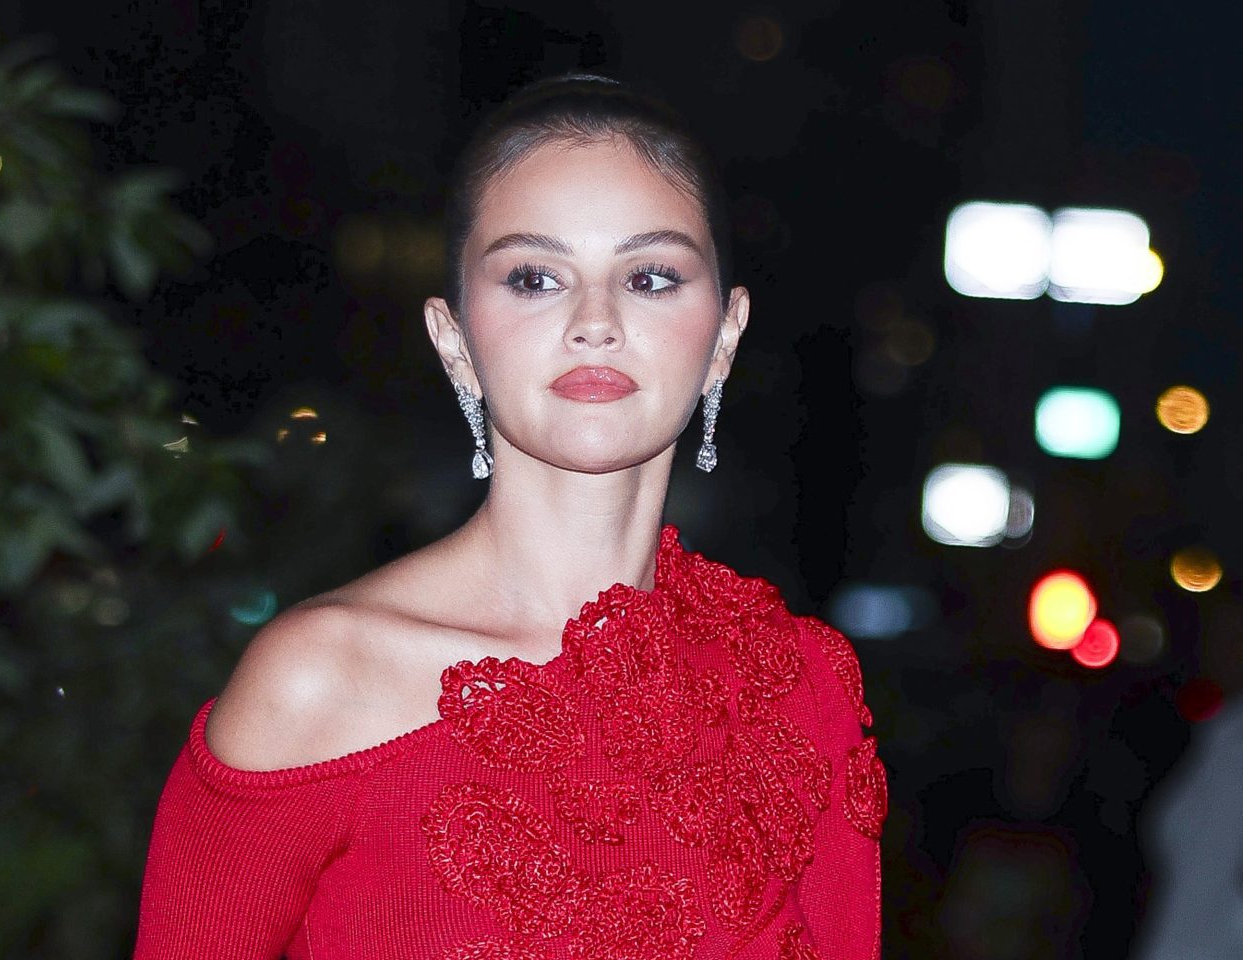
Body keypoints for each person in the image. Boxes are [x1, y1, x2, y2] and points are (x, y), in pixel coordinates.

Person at [133, 74, 885, 960]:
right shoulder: (318, 680)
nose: (595, 322)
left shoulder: (802, 689)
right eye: (535, 277)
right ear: (454, 337)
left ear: (725, 332)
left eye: (650, 276)